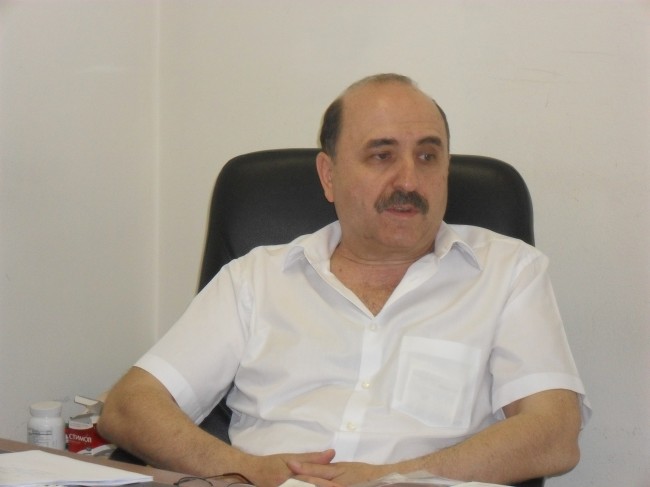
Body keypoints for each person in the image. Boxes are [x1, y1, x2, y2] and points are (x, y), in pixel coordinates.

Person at [98, 74, 590, 487]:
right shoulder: (256, 279)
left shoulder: (509, 271)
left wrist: (389, 479)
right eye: (381, 156)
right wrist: (247, 471)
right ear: (328, 175)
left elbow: (554, 434)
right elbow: (129, 407)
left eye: (427, 156)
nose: (409, 181)